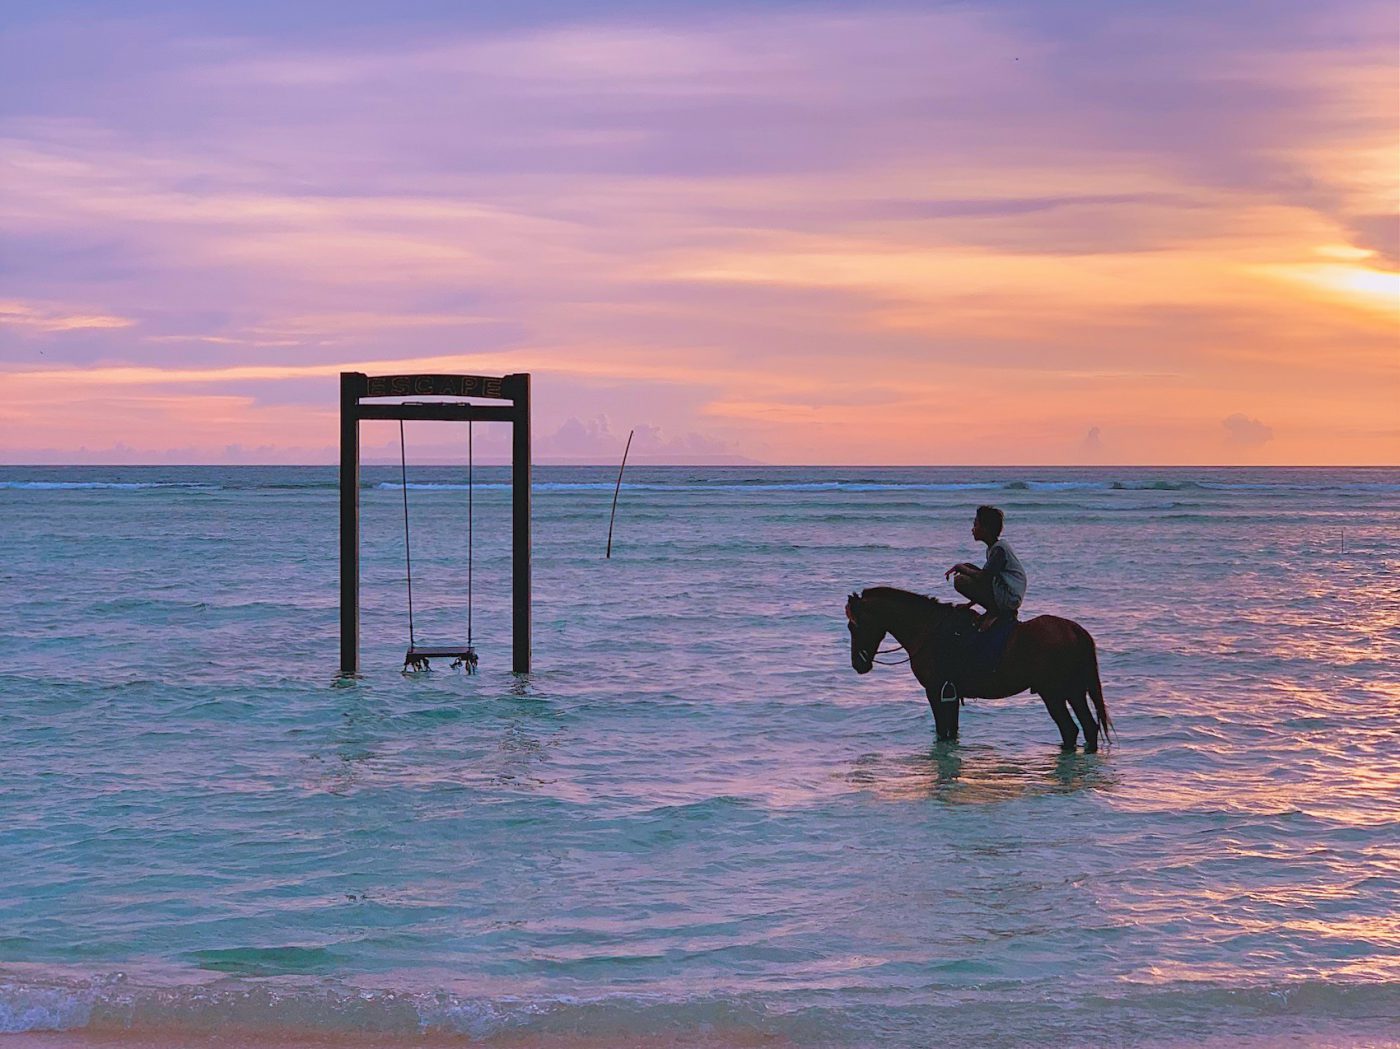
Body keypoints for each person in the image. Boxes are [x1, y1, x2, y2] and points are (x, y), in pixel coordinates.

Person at [944, 505, 1026, 629]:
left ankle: (995, 611)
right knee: (968, 567)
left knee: (960, 580)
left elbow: (984, 578)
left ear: (986, 529)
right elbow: (986, 581)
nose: (972, 529)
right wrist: (969, 605)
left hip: (1009, 596)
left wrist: (959, 567)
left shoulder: (999, 550)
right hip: (1003, 590)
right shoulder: (993, 548)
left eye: (976, 525)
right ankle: (993, 609)